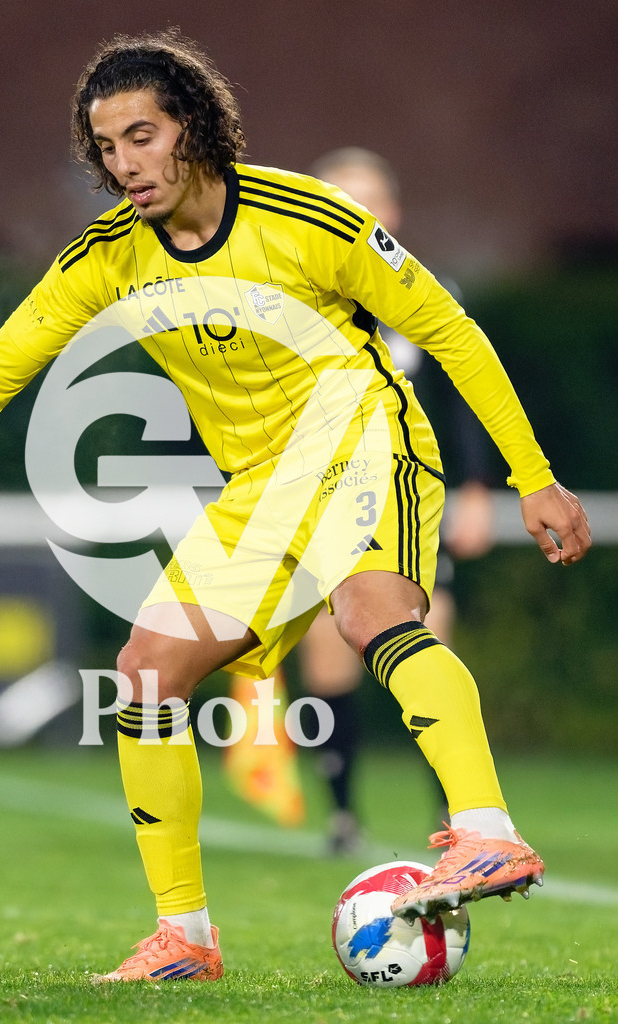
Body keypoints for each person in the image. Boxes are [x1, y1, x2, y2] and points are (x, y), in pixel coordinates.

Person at [0, 29, 591, 983]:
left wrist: (531, 475)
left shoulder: (307, 218)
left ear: (192, 124)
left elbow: (447, 328)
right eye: (106, 148)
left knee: (367, 613)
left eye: (141, 136)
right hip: (259, 493)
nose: (124, 165)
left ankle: (487, 831)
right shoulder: (107, 259)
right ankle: (186, 938)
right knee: (146, 671)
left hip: (369, 447)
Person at [225, 147, 496, 853]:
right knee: (329, 657)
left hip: (409, 496)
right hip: (318, 502)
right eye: (340, 198)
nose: (355, 210)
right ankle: (343, 815)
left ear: (392, 212)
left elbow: (458, 396)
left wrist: (474, 489)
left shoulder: (422, 292)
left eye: (367, 199)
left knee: (428, 643)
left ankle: (457, 815)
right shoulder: (285, 295)